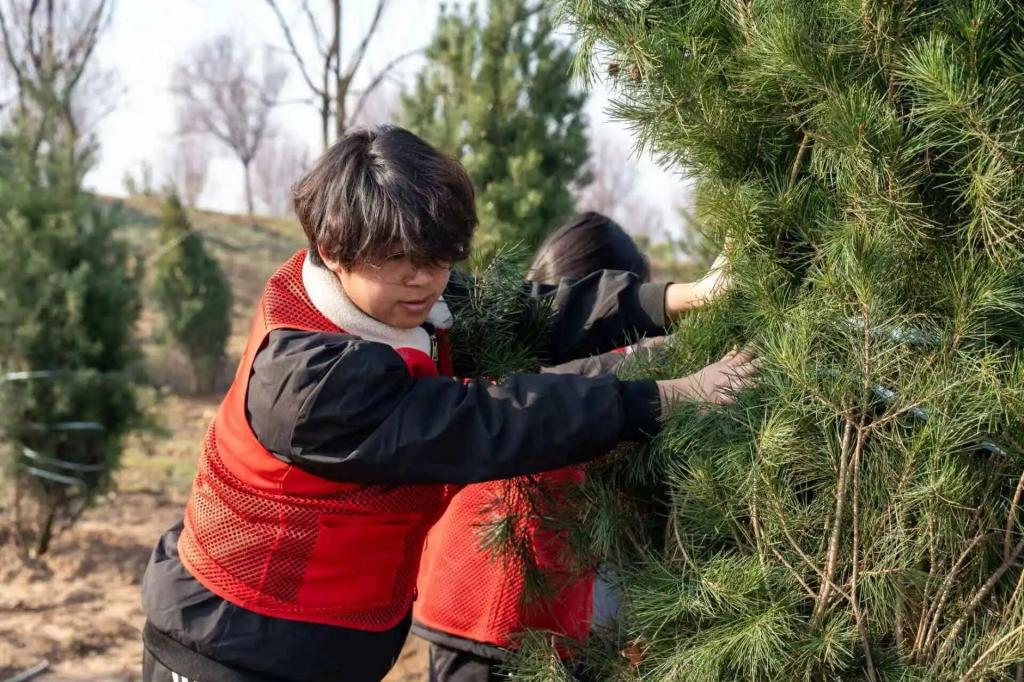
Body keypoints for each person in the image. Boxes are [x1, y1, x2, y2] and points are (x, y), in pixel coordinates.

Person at [139, 126, 756, 682]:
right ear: (332, 248)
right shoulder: (309, 380)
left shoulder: (395, 302)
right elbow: (486, 423)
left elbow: (529, 312)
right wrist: (664, 397)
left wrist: (681, 297)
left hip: (309, 646)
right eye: (398, 261)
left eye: (438, 259)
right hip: (231, 645)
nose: (424, 279)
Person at [412, 211, 710, 682]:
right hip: (491, 615)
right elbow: (576, 387)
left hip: (502, 613)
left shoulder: (519, 353)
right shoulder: (520, 366)